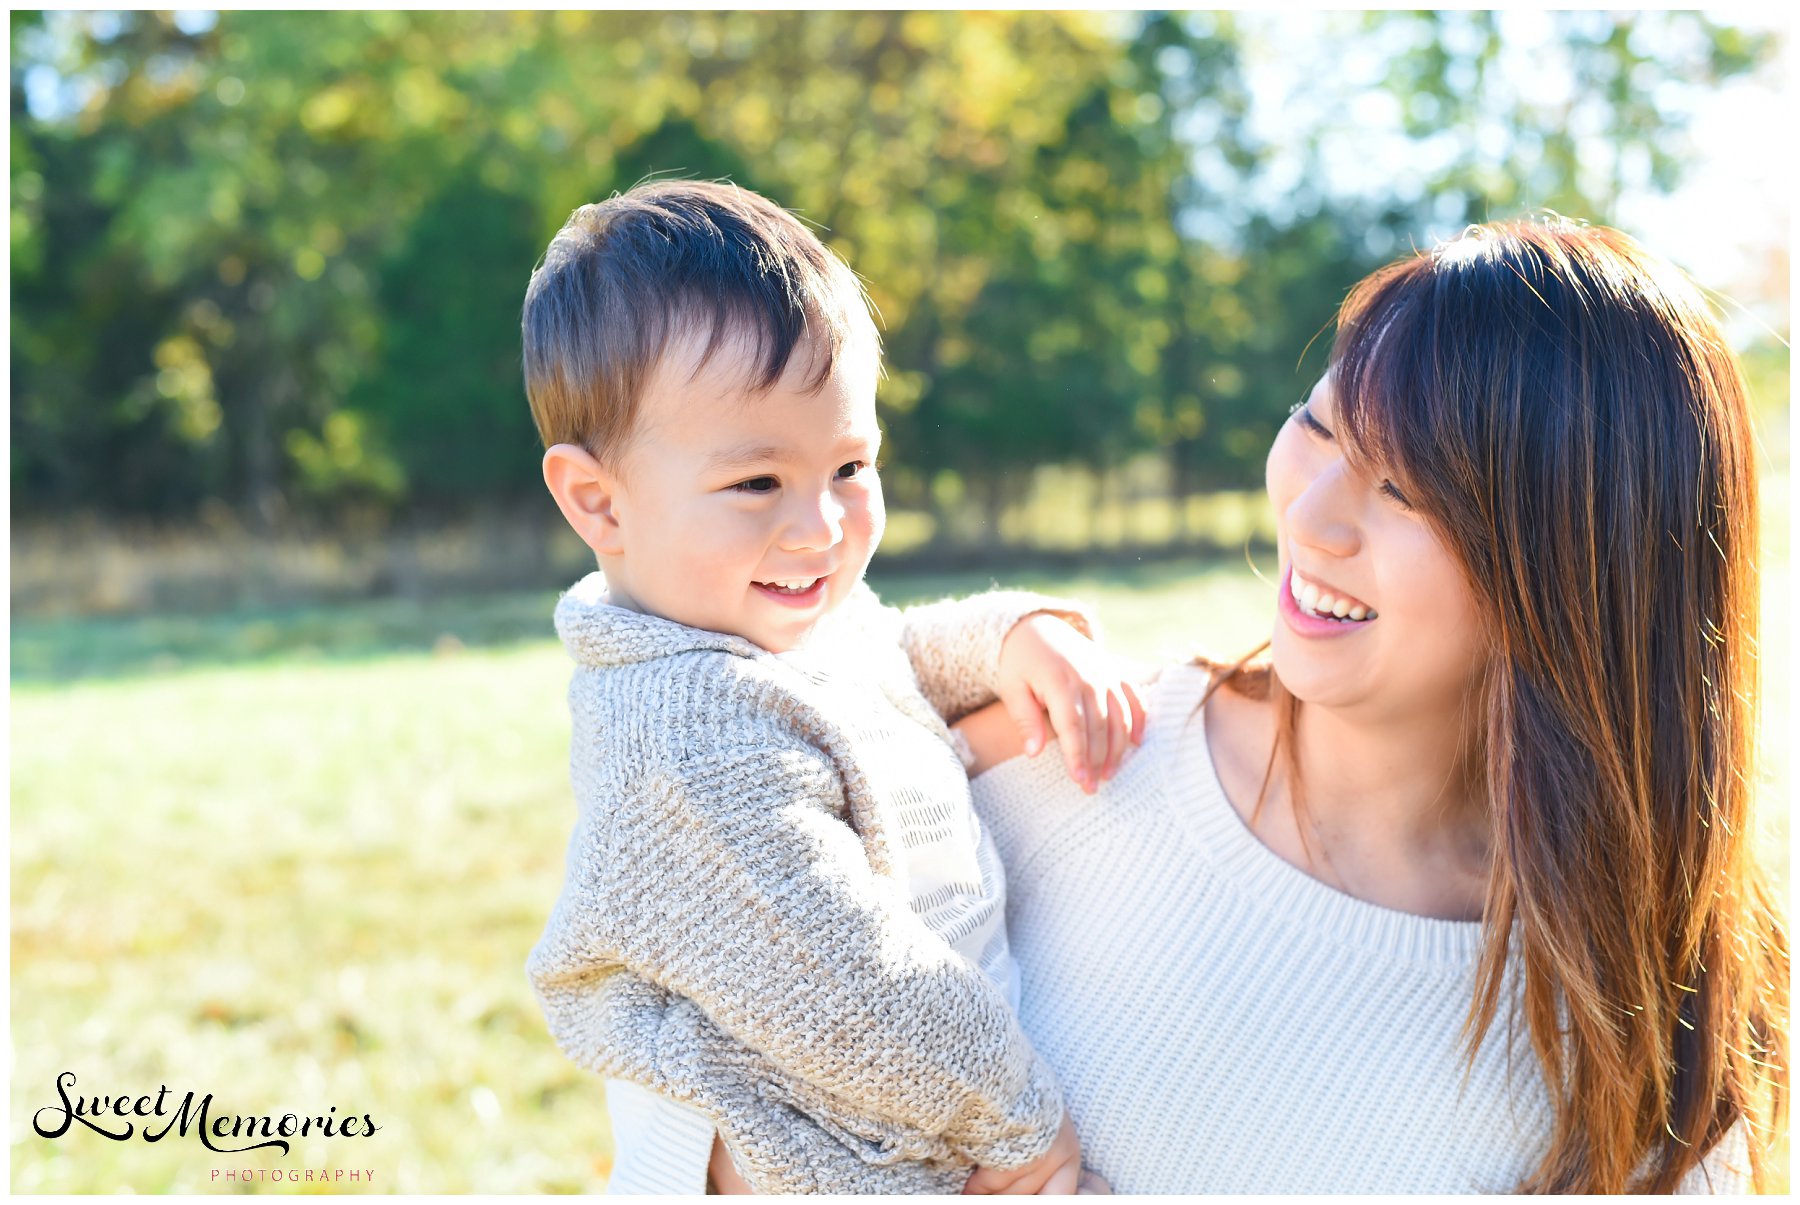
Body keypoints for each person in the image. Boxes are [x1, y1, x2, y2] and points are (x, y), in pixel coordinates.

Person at [957, 218, 1788, 1193]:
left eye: (1402, 489)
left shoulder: (1654, 1020)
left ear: (1575, 574)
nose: (1309, 518)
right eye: (1316, 427)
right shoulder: (1063, 750)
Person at [518, 180, 1146, 1194]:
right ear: (600, 500)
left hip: (918, 1123)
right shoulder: (685, 734)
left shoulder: (773, 619)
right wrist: (1026, 1123)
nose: (820, 525)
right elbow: (853, 987)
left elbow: (888, 650)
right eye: (756, 483)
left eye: (852, 465)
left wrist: (1012, 635)